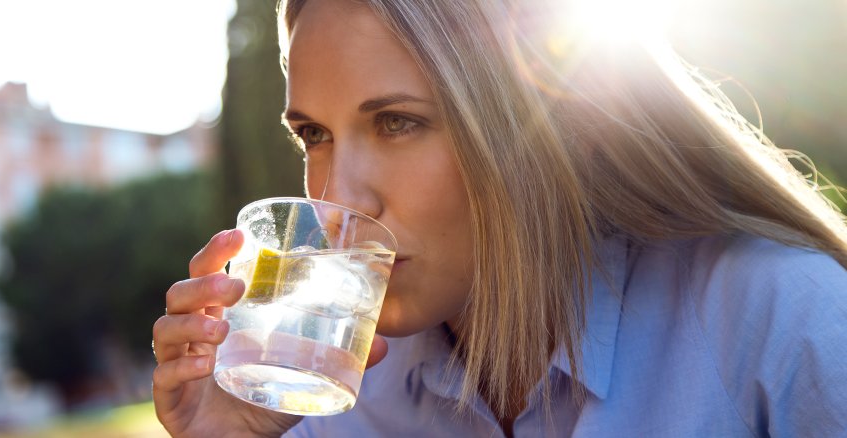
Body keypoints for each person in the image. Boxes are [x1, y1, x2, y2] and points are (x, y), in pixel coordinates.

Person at [151, 0, 847, 436]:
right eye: (314, 135)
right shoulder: (326, 397)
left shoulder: (781, 322)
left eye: (398, 122)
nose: (340, 202)